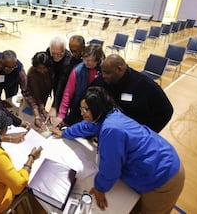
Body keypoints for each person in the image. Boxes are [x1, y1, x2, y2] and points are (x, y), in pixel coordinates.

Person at [51, 87, 184, 214]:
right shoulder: (108, 113)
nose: (81, 113)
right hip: (158, 159)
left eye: (85, 109)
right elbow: (86, 126)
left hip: (164, 175)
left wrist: (99, 188)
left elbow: (111, 169)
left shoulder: (110, 130)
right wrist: (65, 133)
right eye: (81, 108)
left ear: (97, 108)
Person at [91, 54, 173, 133]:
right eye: (103, 72)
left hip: (132, 135)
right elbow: (90, 94)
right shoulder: (102, 80)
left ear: (119, 69)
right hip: (109, 130)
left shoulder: (145, 85)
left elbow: (166, 111)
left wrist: (146, 133)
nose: (104, 76)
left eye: (107, 73)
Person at [0, 50, 42, 127]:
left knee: (10, 100)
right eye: (6, 67)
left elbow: (27, 93)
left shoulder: (19, 70)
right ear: (1, 62)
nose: (10, 70)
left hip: (12, 84)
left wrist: (37, 116)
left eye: (12, 67)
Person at [58, 44, 104, 126]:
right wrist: (61, 114)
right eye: (84, 59)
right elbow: (68, 93)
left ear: (97, 60)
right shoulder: (77, 70)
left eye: (89, 60)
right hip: (77, 110)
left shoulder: (104, 72)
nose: (86, 62)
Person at [46, 36, 73, 117]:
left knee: (60, 104)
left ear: (64, 50)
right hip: (52, 76)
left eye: (59, 53)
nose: (56, 56)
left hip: (64, 82)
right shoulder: (48, 51)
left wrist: (54, 106)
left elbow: (61, 85)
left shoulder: (68, 61)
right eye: (53, 53)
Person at [27, 51, 52, 124]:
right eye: (39, 68)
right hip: (34, 95)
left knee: (42, 113)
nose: (42, 71)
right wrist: (41, 108)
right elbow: (34, 94)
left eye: (44, 68)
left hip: (46, 92)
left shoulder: (51, 70)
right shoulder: (31, 74)